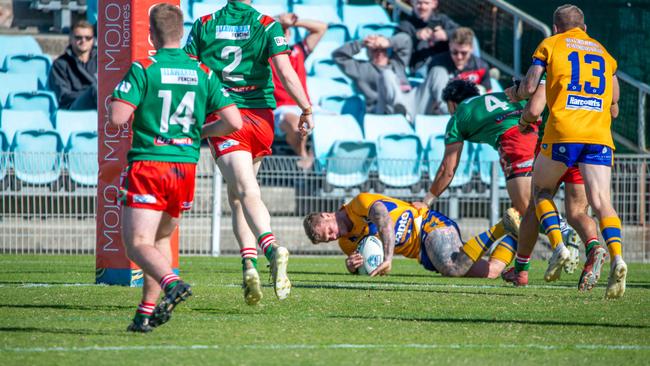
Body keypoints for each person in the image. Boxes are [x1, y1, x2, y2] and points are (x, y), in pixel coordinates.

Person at [109, 4, 242, 332]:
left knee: (137, 243)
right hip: (185, 168)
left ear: (152, 35)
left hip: (150, 163)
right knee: (161, 238)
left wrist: (117, 100)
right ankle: (145, 314)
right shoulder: (203, 72)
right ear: (182, 33)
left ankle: (172, 282)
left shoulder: (145, 68)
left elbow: (118, 118)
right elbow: (233, 121)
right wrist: (201, 132)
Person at [184, 0, 313, 305]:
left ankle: (271, 250)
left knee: (245, 191)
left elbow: (189, 71)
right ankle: (248, 267)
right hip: (261, 119)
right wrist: (306, 108)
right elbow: (284, 71)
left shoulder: (204, 24)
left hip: (227, 118)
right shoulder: (267, 23)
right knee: (238, 195)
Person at [504, 4, 626, 298]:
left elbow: (532, 85)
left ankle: (558, 247)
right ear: (584, 29)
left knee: (541, 192)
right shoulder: (602, 51)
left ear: (556, 27)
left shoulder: (550, 43)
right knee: (600, 203)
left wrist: (516, 92)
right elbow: (615, 100)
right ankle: (618, 257)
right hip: (598, 136)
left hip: (562, 132)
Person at [502, 76, 604, 289]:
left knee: (537, 200)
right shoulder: (602, 61)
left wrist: (523, 118)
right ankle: (594, 247)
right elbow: (614, 109)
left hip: (557, 139)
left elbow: (535, 108)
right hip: (589, 140)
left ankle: (544, 256)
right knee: (578, 212)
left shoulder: (557, 58)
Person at [303, 193, 521, 278]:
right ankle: (518, 236)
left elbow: (385, 221)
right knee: (492, 272)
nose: (333, 236)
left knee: (452, 268)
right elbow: (372, 265)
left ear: (327, 214)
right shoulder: (346, 245)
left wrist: (388, 259)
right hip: (421, 252)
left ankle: (501, 227)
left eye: (329, 231)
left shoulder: (359, 203)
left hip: (425, 225)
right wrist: (354, 268)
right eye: (328, 239)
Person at [425, 80, 537, 219]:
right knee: (525, 216)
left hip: (517, 143)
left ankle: (563, 233)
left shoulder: (458, 115)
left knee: (528, 214)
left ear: (452, 103)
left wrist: (427, 201)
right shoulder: (505, 95)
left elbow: (447, 170)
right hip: (542, 137)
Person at [270, 13, 326, 170]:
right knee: (297, 126)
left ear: (289, 34)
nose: (282, 33)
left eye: (285, 30)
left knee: (339, 123)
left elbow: (321, 28)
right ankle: (304, 157)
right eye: (278, 30)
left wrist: (293, 22)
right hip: (281, 108)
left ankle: (318, 158)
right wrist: (278, 22)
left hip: (305, 105)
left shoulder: (298, 50)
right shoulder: (263, 54)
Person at [332, 33, 411, 113]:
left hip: (408, 104)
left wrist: (388, 42)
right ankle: (400, 111)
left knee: (424, 86)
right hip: (382, 109)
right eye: (375, 50)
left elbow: (406, 40)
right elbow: (338, 56)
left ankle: (404, 112)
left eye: (382, 49)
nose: (379, 53)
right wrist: (362, 43)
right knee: (387, 74)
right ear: (368, 53)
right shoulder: (362, 69)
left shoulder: (398, 64)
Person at [425, 27, 492, 114]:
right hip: (442, 111)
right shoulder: (437, 63)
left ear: (472, 48)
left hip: (471, 112)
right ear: (450, 46)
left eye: (464, 53)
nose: (459, 57)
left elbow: (488, 97)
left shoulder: (481, 67)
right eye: (455, 52)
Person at [397, 0, 458, 76]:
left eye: (426, 3)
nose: (423, 7)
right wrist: (416, 37)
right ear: (412, 3)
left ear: (434, 4)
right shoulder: (405, 25)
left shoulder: (442, 20)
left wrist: (446, 34)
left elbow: (461, 33)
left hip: (446, 65)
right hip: (422, 68)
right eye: (419, 3)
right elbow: (399, 46)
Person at [47, 20, 98, 110]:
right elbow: (63, 95)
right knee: (96, 90)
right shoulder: (60, 64)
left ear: (93, 40)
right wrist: (88, 94)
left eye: (88, 38)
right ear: (70, 39)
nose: (83, 41)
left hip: (99, 102)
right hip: (72, 107)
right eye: (78, 37)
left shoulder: (101, 60)